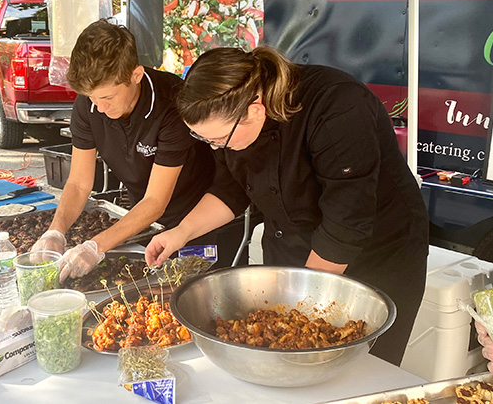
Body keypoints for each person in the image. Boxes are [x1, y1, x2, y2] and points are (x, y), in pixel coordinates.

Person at [145, 46, 429, 366]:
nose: (217, 148)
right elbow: (231, 189)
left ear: (255, 108)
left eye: (220, 139)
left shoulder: (337, 105)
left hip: (379, 254)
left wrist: (301, 311)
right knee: (287, 366)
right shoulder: (233, 122)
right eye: (208, 141)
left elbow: (347, 220)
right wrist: (180, 233)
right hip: (293, 246)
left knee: (360, 371)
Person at [31, 19, 216, 282]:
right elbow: (79, 182)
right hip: (143, 221)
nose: (99, 107)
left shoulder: (172, 104)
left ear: (136, 75)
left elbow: (155, 201)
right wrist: (56, 231)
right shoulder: (89, 104)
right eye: (91, 97)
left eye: (107, 97)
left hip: (199, 217)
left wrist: (96, 245)